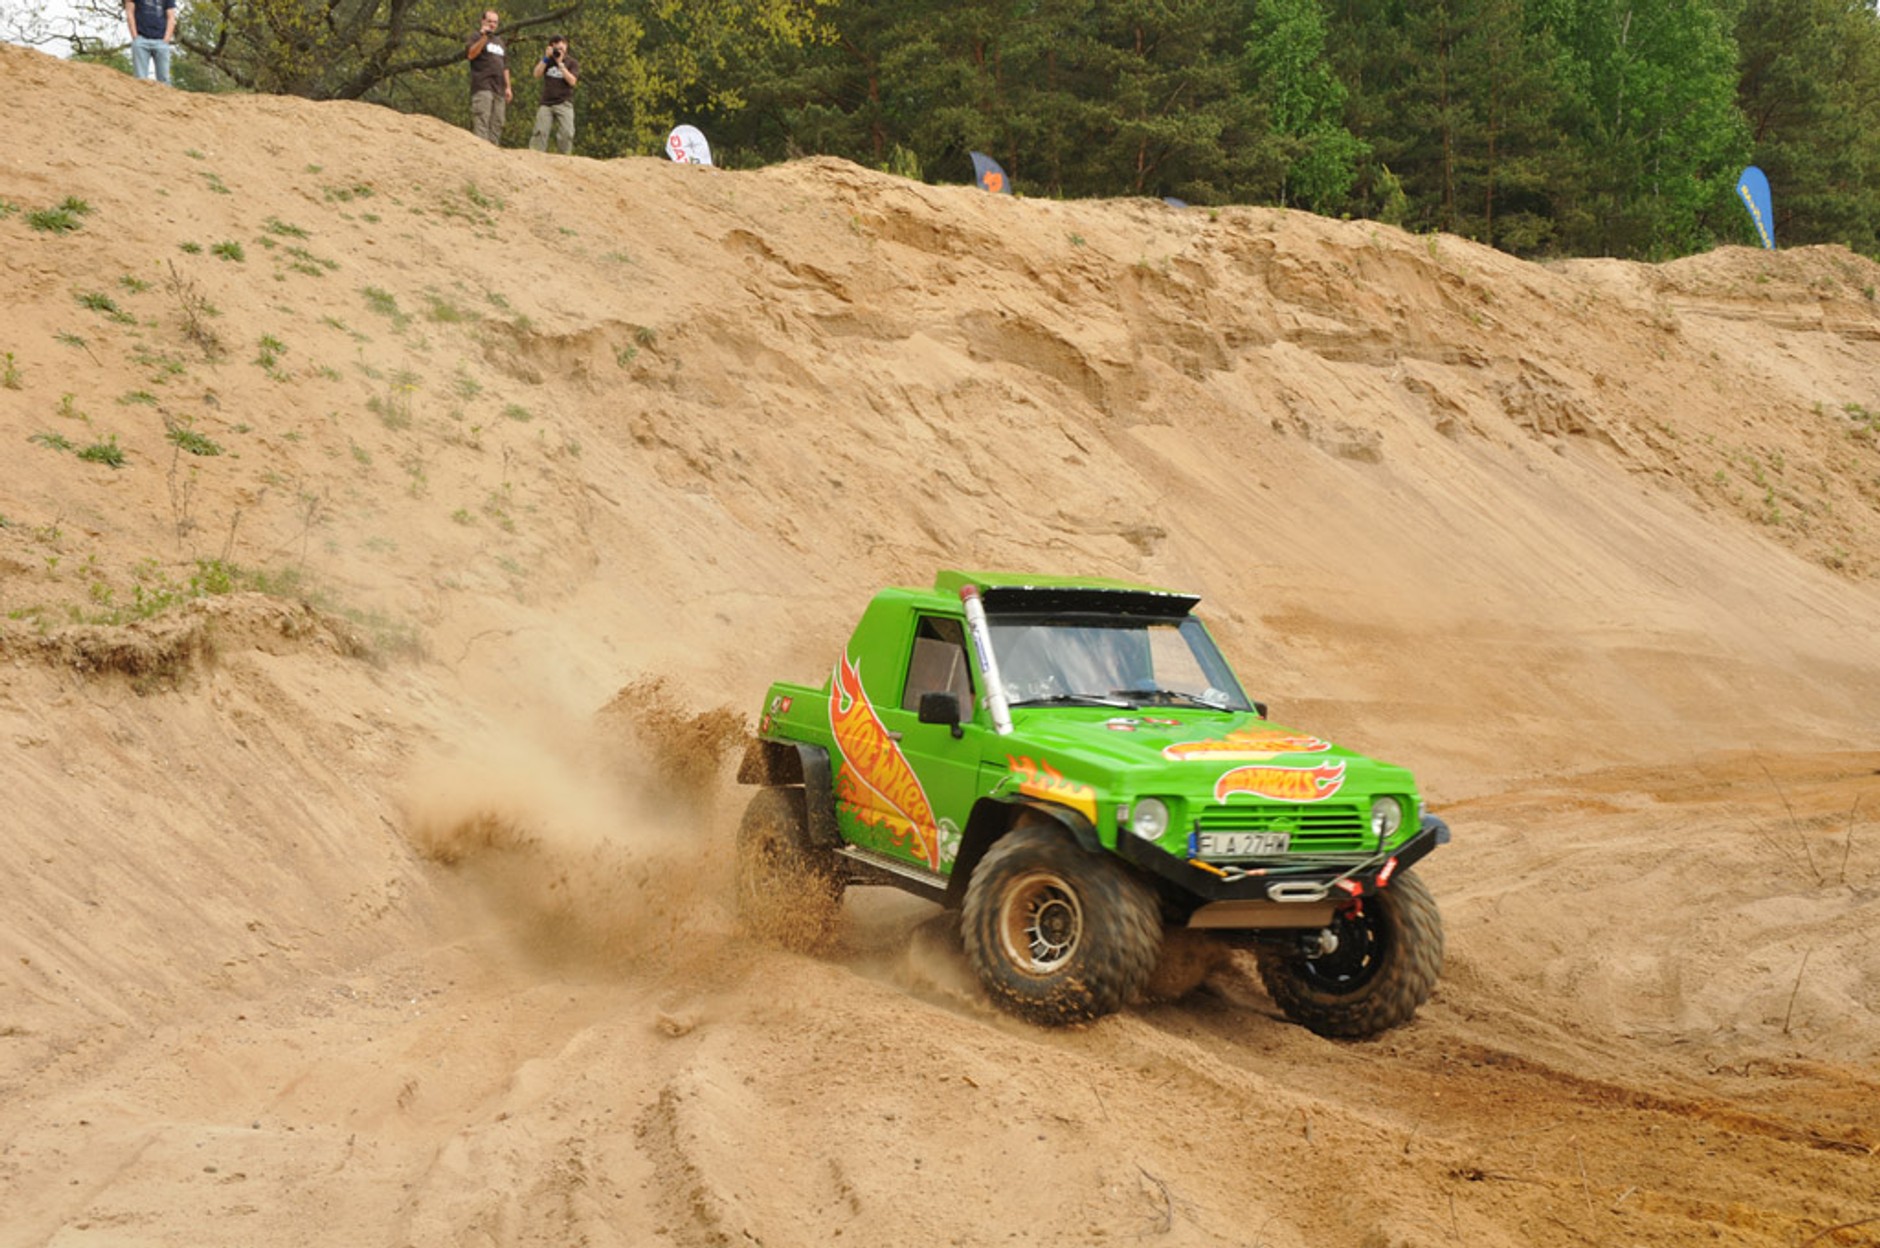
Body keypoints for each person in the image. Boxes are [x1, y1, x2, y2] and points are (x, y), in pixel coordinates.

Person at [465, 9, 512, 145]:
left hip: (499, 88)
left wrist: (508, 87)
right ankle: (480, 154)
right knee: (482, 120)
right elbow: (471, 54)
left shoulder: (500, 42)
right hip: (482, 85)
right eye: (489, 21)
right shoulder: (475, 37)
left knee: (498, 122)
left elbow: (505, 66)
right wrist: (484, 37)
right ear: (483, 21)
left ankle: (492, 156)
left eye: (495, 22)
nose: (492, 24)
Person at [529, 35, 580, 155]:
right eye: (557, 48)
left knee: (567, 133)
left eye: (563, 47)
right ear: (551, 47)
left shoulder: (572, 62)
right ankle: (535, 156)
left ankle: (564, 157)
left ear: (566, 47)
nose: (560, 51)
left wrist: (560, 63)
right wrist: (546, 58)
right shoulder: (547, 61)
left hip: (564, 102)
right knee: (540, 131)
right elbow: (536, 74)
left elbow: (572, 81)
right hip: (546, 103)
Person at [123, 0, 176, 85]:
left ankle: (164, 98)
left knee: (164, 80)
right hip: (141, 39)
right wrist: (135, 37)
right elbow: (129, 13)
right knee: (140, 79)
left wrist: (166, 39)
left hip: (161, 41)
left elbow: (171, 17)